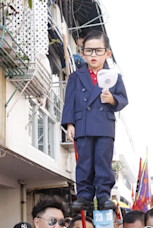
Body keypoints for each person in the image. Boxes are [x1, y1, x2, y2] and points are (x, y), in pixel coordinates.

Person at [62, 30, 128, 211]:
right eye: (88, 51)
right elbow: (70, 102)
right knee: (84, 161)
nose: (93, 55)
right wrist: (69, 124)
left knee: (102, 160)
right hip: (82, 124)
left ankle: (104, 195)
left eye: (98, 51)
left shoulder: (115, 77)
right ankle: (84, 195)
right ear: (82, 53)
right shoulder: (75, 77)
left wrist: (111, 99)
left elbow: (123, 100)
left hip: (104, 124)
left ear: (107, 53)